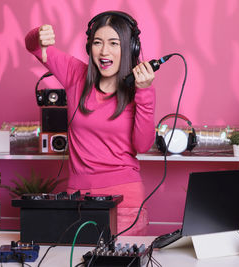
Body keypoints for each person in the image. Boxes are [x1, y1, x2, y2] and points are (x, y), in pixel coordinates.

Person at [25, 10, 156, 235]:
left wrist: (144, 93)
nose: (104, 51)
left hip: (124, 202)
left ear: (130, 48)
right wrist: (37, 35)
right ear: (89, 47)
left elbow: (142, 146)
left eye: (114, 43)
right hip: (78, 197)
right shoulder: (76, 74)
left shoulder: (139, 89)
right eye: (98, 42)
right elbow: (35, 47)